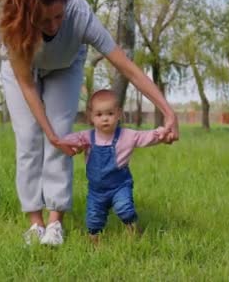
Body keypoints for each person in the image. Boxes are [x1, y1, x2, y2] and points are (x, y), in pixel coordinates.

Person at [0, 0, 179, 246]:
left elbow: (126, 66)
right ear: (30, 15)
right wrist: (50, 136)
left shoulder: (79, 13)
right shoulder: (16, 27)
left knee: (63, 135)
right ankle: (35, 224)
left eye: (58, 16)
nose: (54, 26)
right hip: (25, 74)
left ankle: (55, 222)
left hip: (65, 66)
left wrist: (168, 111)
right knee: (30, 139)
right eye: (45, 21)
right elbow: (28, 87)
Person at [63, 90, 167, 243]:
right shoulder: (86, 137)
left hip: (120, 186)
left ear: (119, 114)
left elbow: (145, 136)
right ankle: (94, 242)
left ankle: (133, 231)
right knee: (93, 219)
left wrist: (162, 133)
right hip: (96, 190)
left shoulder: (127, 135)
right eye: (99, 115)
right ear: (91, 117)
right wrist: (68, 143)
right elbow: (67, 140)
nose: (105, 119)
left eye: (110, 114)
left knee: (125, 208)